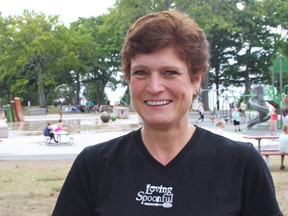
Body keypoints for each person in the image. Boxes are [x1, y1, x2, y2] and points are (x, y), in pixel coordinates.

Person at [52, 10, 282, 215]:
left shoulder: (242, 165)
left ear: (195, 79)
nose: (154, 87)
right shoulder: (93, 166)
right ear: (128, 79)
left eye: (170, 72)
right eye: (141, 72)